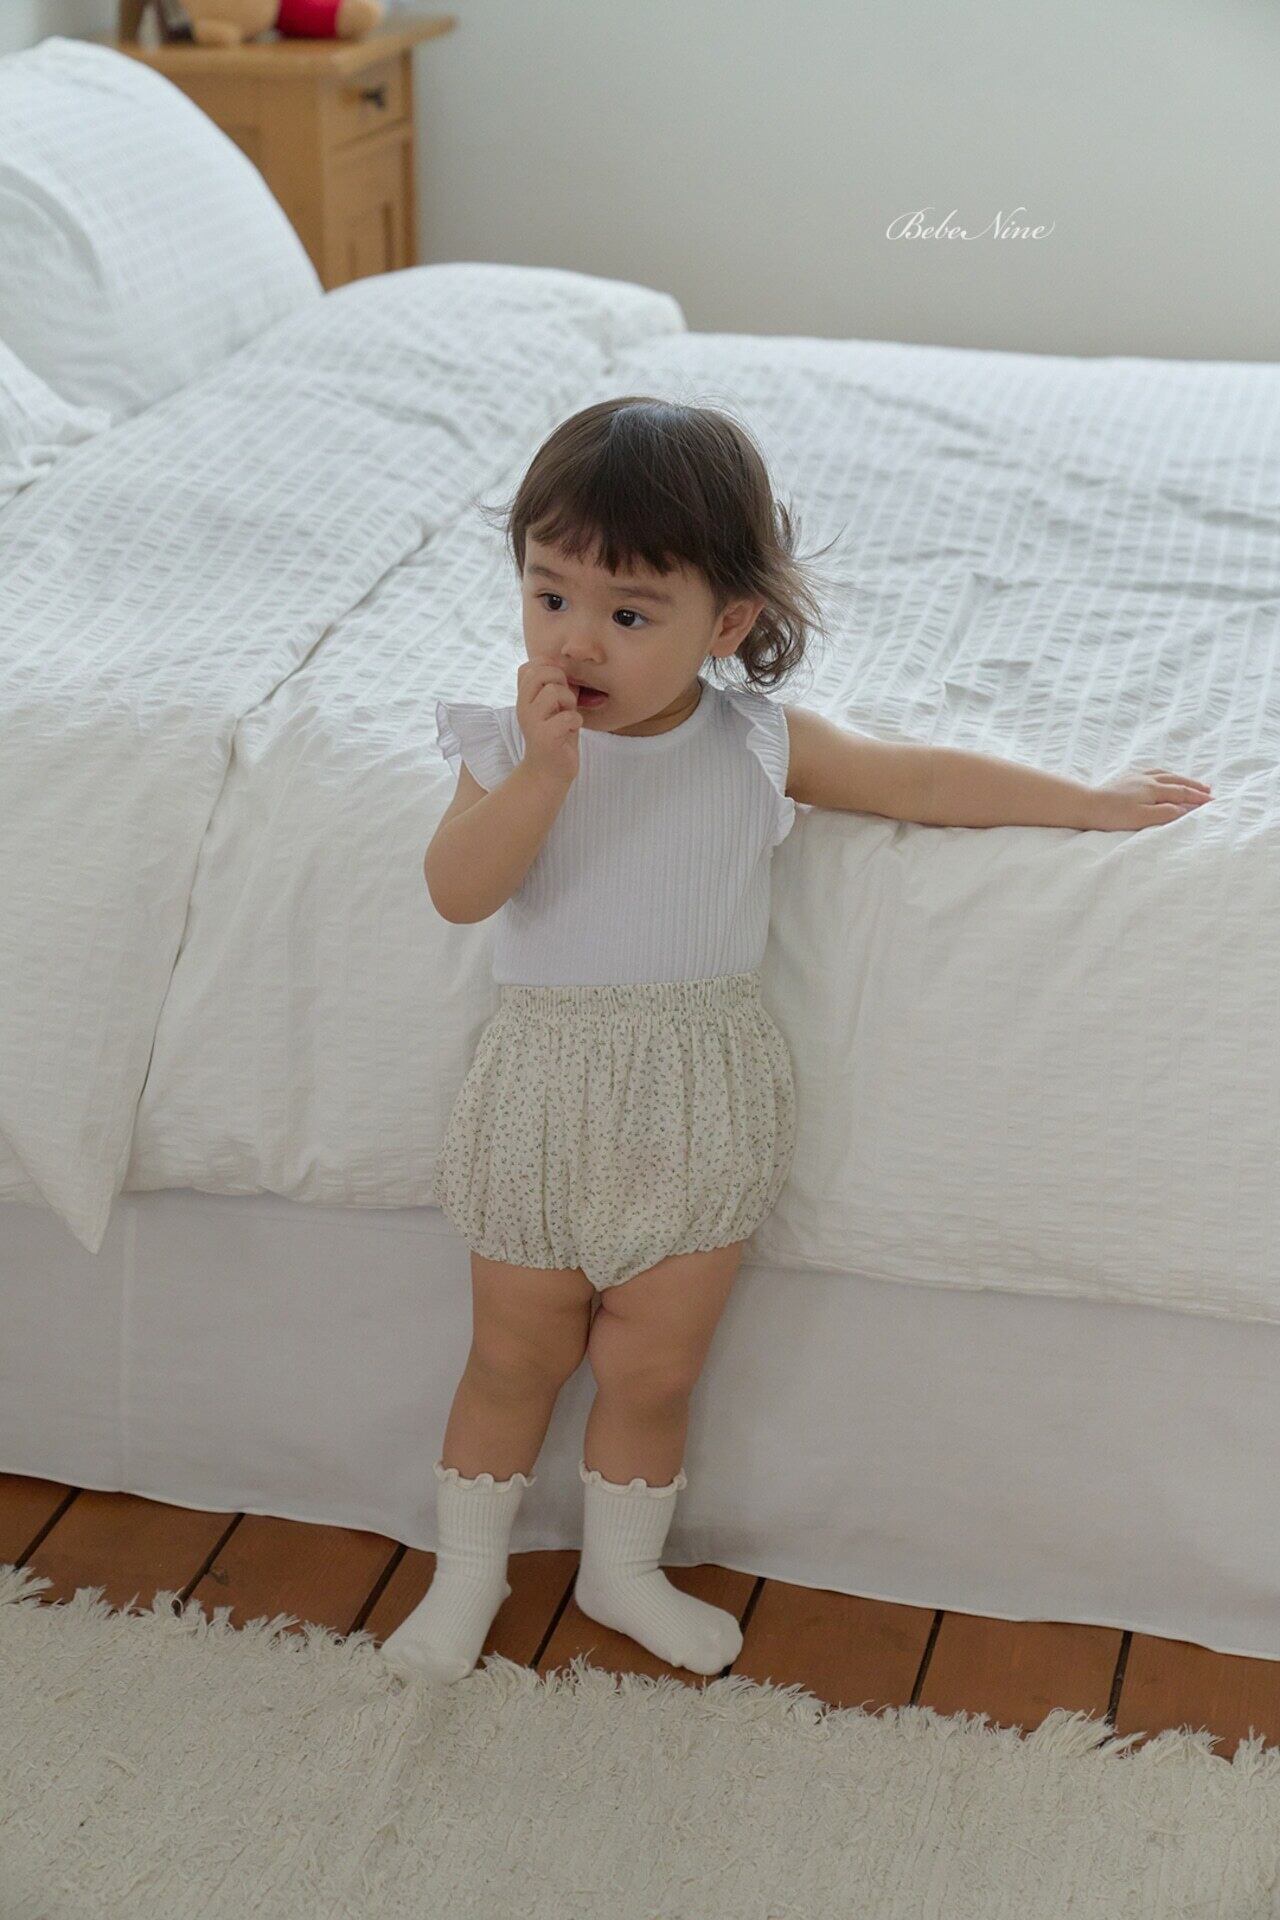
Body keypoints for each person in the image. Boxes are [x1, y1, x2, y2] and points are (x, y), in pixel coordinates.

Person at [379, 395, 1213, 1686]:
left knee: (654, 1367)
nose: (576, 640)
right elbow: (456, 889)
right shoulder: (506, 746)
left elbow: (918, 779)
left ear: (727, 624)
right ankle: (466, 1575)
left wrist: (1087, 804)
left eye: (629, 614)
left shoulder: (754, 743)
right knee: (512, 1353)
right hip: (543, 1093)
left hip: (700, 1100)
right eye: (548, 597)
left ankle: (621, 1571)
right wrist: (542, 777)